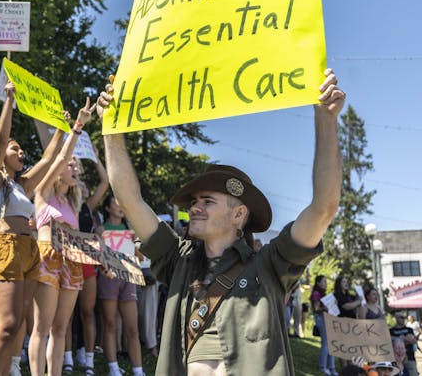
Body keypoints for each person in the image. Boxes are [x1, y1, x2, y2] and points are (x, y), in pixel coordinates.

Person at [97, 68, 345, 375]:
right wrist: (111, 130)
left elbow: (323, 208)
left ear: (238, 215)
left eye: (207, 201)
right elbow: (130, 200)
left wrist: (326, 119)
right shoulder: (178, 261)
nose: (194, 208)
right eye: (194, 202)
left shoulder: (271, 265)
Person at [0, 81, 66, 376]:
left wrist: (63, 128)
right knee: (7, 325)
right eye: (16, 148)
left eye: (21, 149)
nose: (21, 152)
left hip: (29, 250)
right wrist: (9, 100)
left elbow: (49, 159)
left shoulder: (22, 185)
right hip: (6, 247)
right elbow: (0, 139)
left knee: (18, 326)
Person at [28, 99, 95, 376]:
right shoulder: (44, 193)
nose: (75, 169)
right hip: (48, 256)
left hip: (73, 261)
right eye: (71, 165)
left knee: (60, 327)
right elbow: (58, 159)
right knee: (42, 327)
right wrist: (76, 127)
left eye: (77, 166)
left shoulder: (73, 204)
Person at [97, 195, 144, 376]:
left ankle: (138, 370)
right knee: (110, 324)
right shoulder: (101, 229)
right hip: (108, 279)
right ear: (107, 208)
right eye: (115, 203)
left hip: (128, 278)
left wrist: (135, 241)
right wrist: (104, 267)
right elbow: (98, 258)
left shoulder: (130, 230)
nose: (120, 206)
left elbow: (140, 257)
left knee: (132, 328)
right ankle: (113, 368)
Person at [74, 153, 109, 375]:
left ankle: (88, 360)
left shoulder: (88, 207)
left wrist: (94, 156)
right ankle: (66, 358)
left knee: (87, 312)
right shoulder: (62, 203)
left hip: (86, 262)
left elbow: (105, 182)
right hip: (66, 260)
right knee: (66, 315)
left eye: (85, 186)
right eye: (79, 184)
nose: (83, 188)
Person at [311, 274, 338, 375]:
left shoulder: (324, 294)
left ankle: (332, 367)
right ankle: (323, 366)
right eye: (324, 281)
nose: (326, 283)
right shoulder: (316, 294)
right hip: (321, 319)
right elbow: (316, 308)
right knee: (326, 343)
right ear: (318, 283)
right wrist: (325, 308)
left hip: (326, 318)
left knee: (330, 343)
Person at [390, 311, 418, 376]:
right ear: (396, 318)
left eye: (404, 317)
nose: (404, 319)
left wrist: (397, 340)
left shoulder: (409, 329)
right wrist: (404, 339)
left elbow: (413, 341)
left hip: (409, 357)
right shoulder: (391, 330)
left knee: (413, 373)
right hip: (396, 358)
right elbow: (390, 343)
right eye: (401, 317)